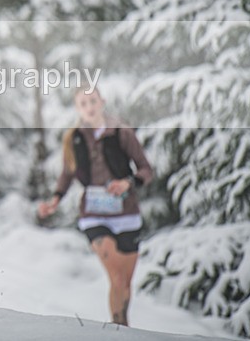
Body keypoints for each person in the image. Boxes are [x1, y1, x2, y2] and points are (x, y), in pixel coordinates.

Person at [37, 86, 153, 326]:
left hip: (127, 213)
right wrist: (55, 199)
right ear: (77, 108)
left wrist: (127, 183)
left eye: (92, 101)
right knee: (115, 275)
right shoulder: (74, 137)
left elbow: (146, 170)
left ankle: (122, 326)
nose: (89, 107)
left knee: (123, 282)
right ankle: (117, 328)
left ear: (102, 102)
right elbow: (67, 174)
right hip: (93, 214)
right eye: (83, 103)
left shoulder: (121, 132)